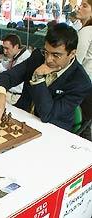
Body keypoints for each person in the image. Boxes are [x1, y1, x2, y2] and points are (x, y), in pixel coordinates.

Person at [0, 23, 92, 131]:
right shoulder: (38, 56)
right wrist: (0, 94)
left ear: (72, 54)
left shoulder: (81, 82)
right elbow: (7, 76)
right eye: (46, 52)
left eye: (56, 55)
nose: (48, 59)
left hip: (51, 130)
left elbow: (47, 114)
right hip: (21, 118)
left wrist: (38, 78)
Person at [0, 34, 31, 104]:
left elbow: (6, 75)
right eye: (3, 48)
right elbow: (7, 65)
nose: (4, 52)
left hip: (14, 96)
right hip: (8, 91)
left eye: (7, 48)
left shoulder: (25, 58)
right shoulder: (16, 54)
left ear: (16, 47)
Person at [76, 0, 92, 140]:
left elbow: (75, 63)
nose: (79, 7)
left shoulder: (86, 31)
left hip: (84, 86)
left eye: (85, 5)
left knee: (82, 128)